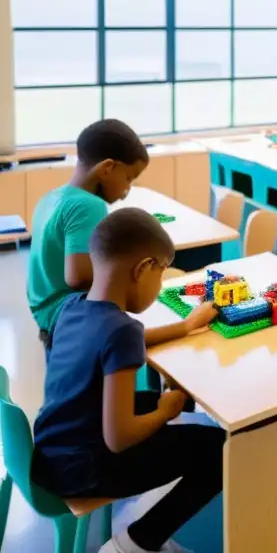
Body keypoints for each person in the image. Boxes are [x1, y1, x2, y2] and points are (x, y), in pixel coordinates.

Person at [31, 208, 222, 553]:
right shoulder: (122, 330)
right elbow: (118, 439)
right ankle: (137, 542)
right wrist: (165, 412)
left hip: (52, 450)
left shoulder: (72, 306)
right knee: (219, 449)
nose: (160, 284)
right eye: (161, 274)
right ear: (143, 268)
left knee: (148, 398)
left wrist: (184, 327)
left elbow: (117, 339)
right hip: (84, 469)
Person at [27, 119, 149, 351]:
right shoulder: (89, 205)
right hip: (69, 319)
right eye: (128, 179)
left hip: (47, 317)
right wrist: (132, 276)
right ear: (107, 168)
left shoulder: (51, 198)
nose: (126, 192)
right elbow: (78, 276)